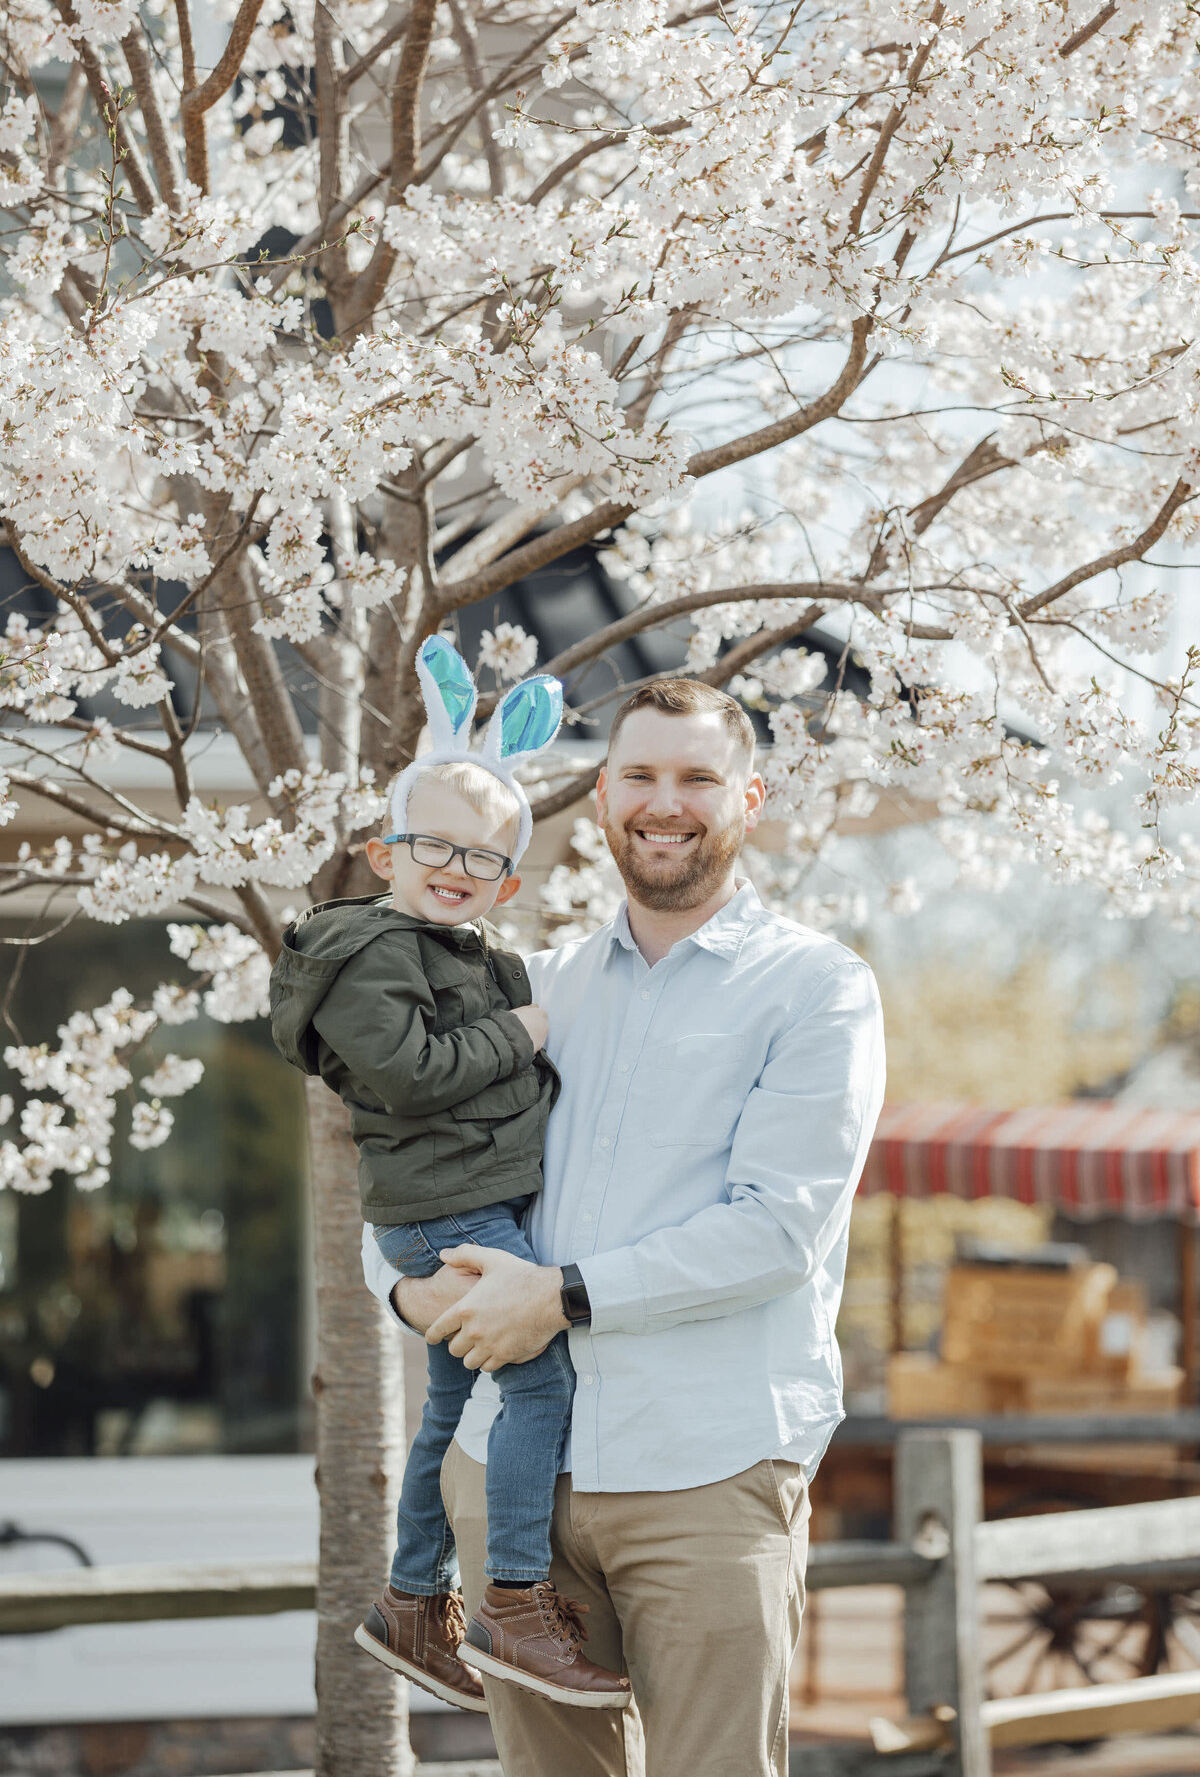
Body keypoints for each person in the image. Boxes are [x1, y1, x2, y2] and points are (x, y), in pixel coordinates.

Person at [362, 675, 887, 1777]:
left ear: (750, 797)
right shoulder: (533, 989)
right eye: (640, 775)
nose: (666, 802)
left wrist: (554, 1295)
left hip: (706, 1470)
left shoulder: (815, 990)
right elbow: (411, 1176)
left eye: (697, 778)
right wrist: (412, 1291)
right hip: (508, 1481)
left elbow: (777, 1230)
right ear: (601, 796)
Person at [270, 635, 632, 1715]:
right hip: (450, 1210)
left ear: (508, 878)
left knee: (447, 1406)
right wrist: (522, 1034)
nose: (456, 869)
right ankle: (514, 1604)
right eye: (435, 845)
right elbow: (414, 1075)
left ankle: (409, 1604)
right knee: (538, 1381)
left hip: (466, 1202)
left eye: (483, 857)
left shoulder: (471, 953)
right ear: (386, 850)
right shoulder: (372, 950)